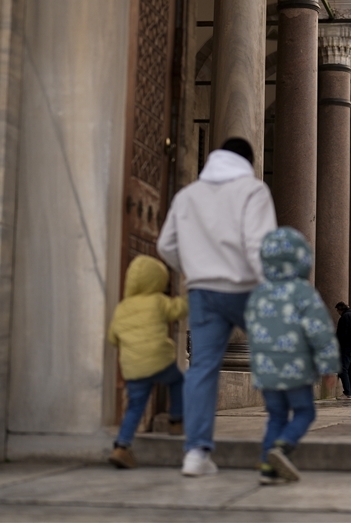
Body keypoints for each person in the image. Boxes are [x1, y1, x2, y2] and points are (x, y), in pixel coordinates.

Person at [157, 138, 277, 477]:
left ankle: (195, 453)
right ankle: (277, 442)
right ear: (248, 162)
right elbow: (258, 246)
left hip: (202, 291)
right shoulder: (253, 192)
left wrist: (193, 267)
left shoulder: (187, 196)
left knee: (202, 368)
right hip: (245, 289)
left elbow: (165, 244)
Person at [245, 227, 339, 485]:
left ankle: (268, 467)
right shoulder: (303, 292)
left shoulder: (259, 294)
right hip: (296, 369)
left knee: (276, 416)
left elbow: (251, 329)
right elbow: (320, 332)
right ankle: (283, 446)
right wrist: (329, 366)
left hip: (267, 370)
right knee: (304, 412)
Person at [107, 255, 188, 469]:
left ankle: (121, 447)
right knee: (178, 381)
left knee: (135, 407)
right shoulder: (157, 301)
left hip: (134, 368)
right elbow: (178, 310)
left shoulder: (122, 308)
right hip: (158, 361)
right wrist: (190, 295)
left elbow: (112, 338)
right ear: (157, 280)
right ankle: (176, 420)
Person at [334, 301, 351, 399]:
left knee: (343, 369)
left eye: (337, 310)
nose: (338, 313)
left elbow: (342, 334)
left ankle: (347, 392)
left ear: (340, 309)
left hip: (346, 347)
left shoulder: (344, 318)